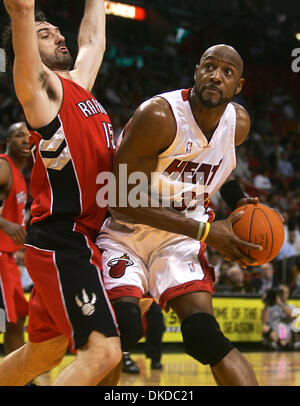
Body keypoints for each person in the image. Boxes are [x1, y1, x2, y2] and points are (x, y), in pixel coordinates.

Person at [96, 44, 264, 385]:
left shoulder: (238, 125)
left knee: (204, 335)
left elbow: (220, 170)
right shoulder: (158, 116)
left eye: (227, 72)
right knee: (122, 332)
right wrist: (204, 232)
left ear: (239, 86)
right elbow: (120, 201)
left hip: (178, 235)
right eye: (209, 67)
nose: (216, 76)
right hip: (126, 230)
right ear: (196, 71)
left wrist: (244, 203)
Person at [0, 0, 121, 386]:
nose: (59, 36)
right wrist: (24, 16)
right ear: (26, 50)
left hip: (84, 237)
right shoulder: (40, 94)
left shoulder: (77, 88)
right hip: (63, 239)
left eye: (57, 30)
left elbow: (94, 39)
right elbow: (21, 11)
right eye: (45, 34)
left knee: (46, 352)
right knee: (103, 351)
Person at [0, 122, 30, 355]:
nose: (26, 140)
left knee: (18, 317)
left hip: (8, 259)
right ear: (8, 142)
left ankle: (18, 376)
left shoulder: (20, 175)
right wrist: (4, 224)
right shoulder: (3, 166)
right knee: (4, 320)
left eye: (29, 136)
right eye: (19, 135)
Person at [261, 284, 299, 350]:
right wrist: (266, 304)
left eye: (286, 292)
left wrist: (280, 303)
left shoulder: (290, 306)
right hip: (275, 335)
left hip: (288, 335)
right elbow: (264, 321)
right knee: (265, 328)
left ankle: (287, 343)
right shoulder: (270, 307)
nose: (284, 294)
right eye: (282, 292)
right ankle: (280, 343)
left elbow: (292, 316)